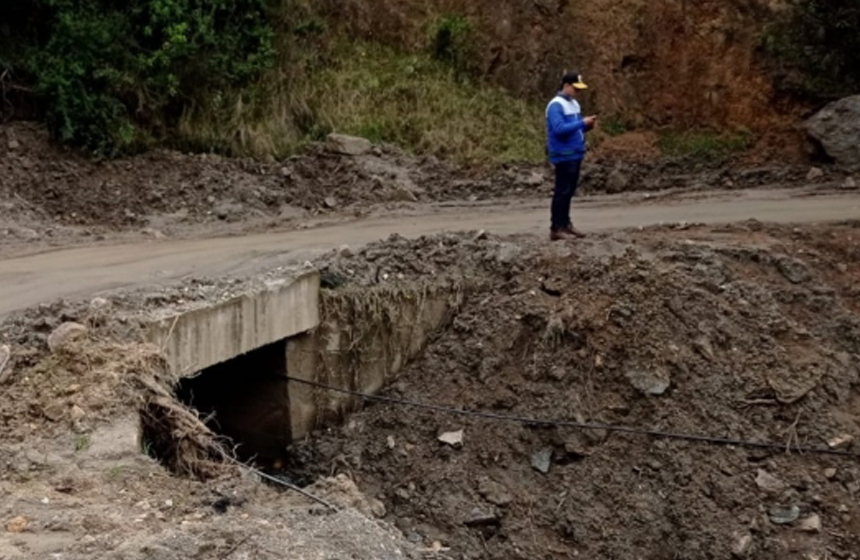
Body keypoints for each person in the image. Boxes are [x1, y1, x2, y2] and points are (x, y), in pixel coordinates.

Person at [546, 72, 597, 241]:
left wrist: (586, 127)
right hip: (563, 154)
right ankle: (556, 227)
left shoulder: (574, 104)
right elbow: (559, 129)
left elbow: (574, 129)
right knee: (562, 191)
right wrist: (582, 123)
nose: (577, 92)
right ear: (566, 85)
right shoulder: (555, 105)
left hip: (575, 153)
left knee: (569, 191)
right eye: (575, 88)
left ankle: (565, 224)